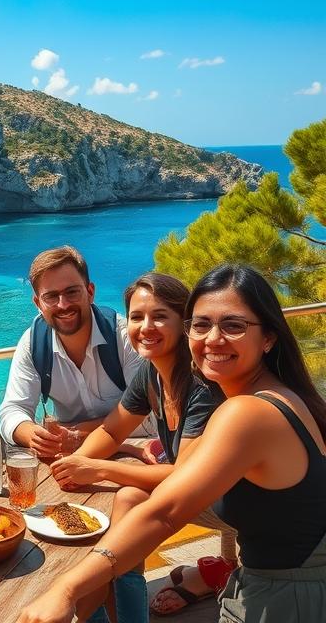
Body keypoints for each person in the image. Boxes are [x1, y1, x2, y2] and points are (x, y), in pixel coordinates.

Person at [19, 264, 326, 623]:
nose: (212, 339)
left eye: (233, 325)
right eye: (201, 324)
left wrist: (64, 588)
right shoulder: (272, 393)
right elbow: (114, 430)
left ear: (269, 337)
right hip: (277, 580)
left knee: (131, 507)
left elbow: (166, 511)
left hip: (290, 597)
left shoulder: (246, 411)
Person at [50, 272, 233, 619]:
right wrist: (74, 463)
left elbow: (185, 476)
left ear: (185, 323)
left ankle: (104, 610)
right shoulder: (152, 373)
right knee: (129, 499)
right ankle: (121, 612)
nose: (145, 326)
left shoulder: (201, 385)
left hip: (242, 505)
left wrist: (99, 469)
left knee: (128, 505)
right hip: (208, 492)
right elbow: (112, 430)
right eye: (136, 317)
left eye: (160, 316)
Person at [0, 246, 151, 459]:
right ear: (38, 303)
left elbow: (149, 414)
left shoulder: (123, 336)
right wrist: (34, 435)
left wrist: (80, 432)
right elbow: (11, 410)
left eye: (72, 292)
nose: (63, 304)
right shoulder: (33, 344)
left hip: (135, 451)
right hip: (69, 455)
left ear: (90, 292)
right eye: (51, 296)